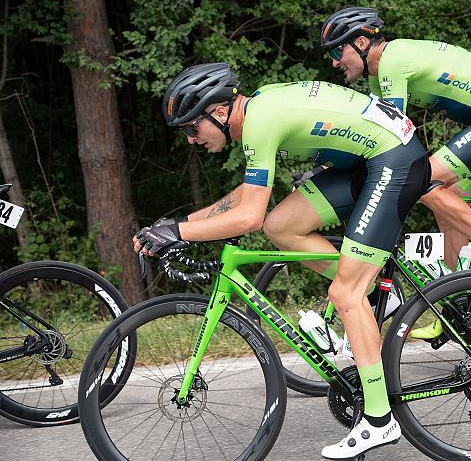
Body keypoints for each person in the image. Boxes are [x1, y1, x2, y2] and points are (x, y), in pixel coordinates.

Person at [133, 62, 430, 459]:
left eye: (191, 128)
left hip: (394, 162)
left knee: (344, 293)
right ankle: (373, 289)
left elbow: (246, 217)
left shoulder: (260, 121)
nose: (190, 139)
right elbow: (247, 197)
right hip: (369, 160)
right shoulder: (257, 112)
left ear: (219, 112)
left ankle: (379, 419)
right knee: (282, 224)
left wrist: (178, 234)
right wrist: (178, 223)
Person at [320, 7, 471, 339]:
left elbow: (394, 135)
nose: (335, 62)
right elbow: (371, 133)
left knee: (423, 183)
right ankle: (453, 302)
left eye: (339, 51)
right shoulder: (377, 74)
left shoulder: (392, 62)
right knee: (446, 202)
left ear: (363, 43)